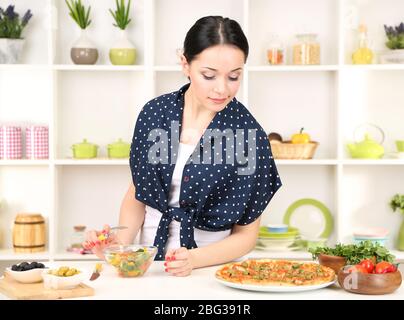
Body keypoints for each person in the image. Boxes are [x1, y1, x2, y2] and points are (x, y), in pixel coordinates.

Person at [83, 16, 282, 277]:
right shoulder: (155, 114)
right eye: (209, 75)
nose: (222, 89)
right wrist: (121, 246)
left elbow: (246, 235)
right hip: (147, 263)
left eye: (234, 76)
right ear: (185, 64)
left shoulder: (248, 136)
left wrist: (194, 259)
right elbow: (137, 193)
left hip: (210, 269)